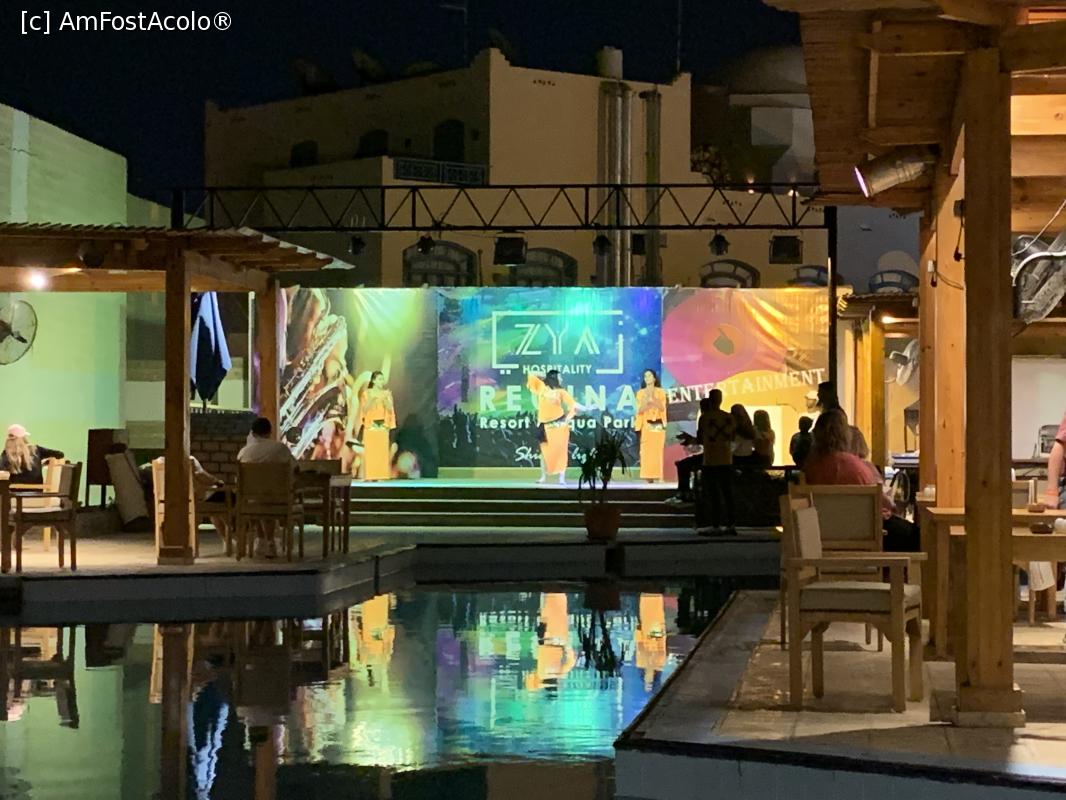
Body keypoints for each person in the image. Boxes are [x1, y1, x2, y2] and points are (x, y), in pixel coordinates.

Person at [802, 408, 919, 551]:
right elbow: (879, 502)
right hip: (868, 536)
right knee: (918, 536)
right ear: (845, 435)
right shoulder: (855, 466)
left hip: (823, 538)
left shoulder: (810, 468)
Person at [237, 417, 296, 559]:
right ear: (270, 432)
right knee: (267, 498)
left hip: (250, 502)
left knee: (258, 500)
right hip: (279, 501)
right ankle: (270, 542)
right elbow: (295, 468)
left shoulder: (243, 453)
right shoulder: (280, 449)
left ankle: (262, 540)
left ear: (252, 433)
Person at [527, 370, 584, 485]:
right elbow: (531, 374)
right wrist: (545, 375)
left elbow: (573, 405)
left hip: (558, 425)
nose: (561, 379)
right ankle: (543, 477)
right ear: (554, 378)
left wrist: (568, 418)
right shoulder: (541, 387)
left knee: (561, 451)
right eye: (559, 377)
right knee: (544, 452)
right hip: (544, 425)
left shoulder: (562, 392)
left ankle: (561, 478)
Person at [697, 391, 736, 535]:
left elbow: (700, 438)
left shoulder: (705, 417)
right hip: (726, 458)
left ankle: (715, 524)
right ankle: (731, 524)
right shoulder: (729, 417)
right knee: (727, 493)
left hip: (710, 459)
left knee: (713, 494)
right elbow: (732, 437)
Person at [358, 371, 396, 481]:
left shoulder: (386, 393)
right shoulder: (366, 393)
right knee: (371, 452)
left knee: (381, 451)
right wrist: (372, 399)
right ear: (373, 380)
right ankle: (370, 475)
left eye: (382, 379)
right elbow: (364, 409)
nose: (382, 382)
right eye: (379, 379)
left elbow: (390, 409)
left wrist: (385, 399)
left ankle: (380, 475)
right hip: (371, 425)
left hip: (382, 425)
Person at [635, 369, 668, 482]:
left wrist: (652, 398)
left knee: (657, 451)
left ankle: (659, 475)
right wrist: (646, 400)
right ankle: (648, 476)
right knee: (646, 451)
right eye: (645, 376)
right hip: (646, 425)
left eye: (649, 376)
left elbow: (662, 407)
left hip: (658, 423)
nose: (647, 378)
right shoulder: (640, 393)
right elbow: (640, 410)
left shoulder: (661, 392)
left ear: (654, 378)